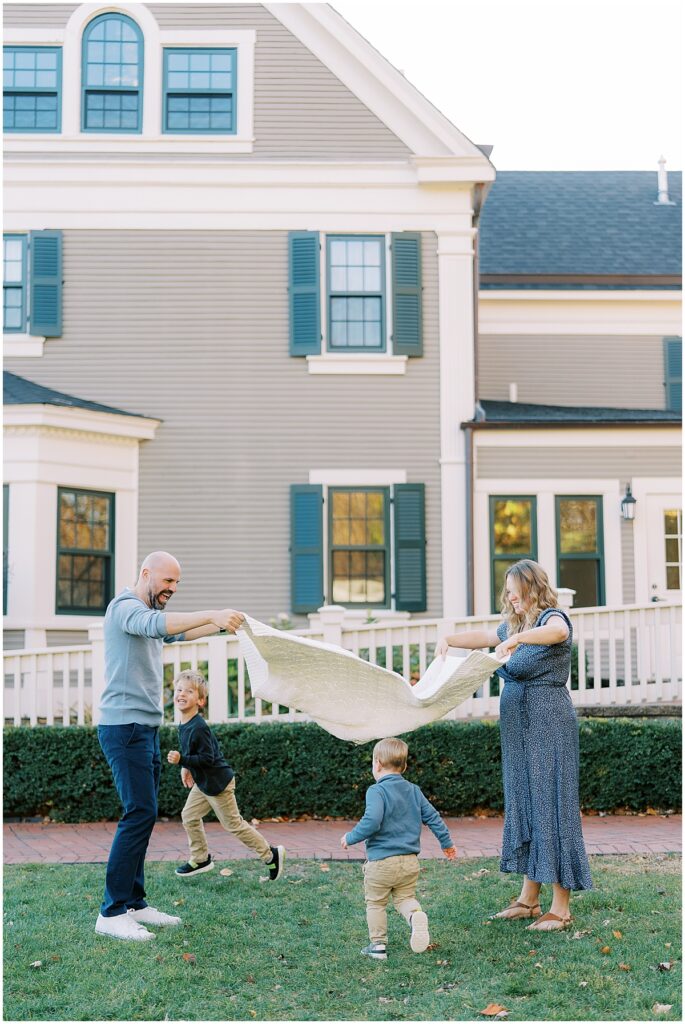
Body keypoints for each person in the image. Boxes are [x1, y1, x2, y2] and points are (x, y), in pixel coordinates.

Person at [95, 550, 245, 942]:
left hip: (143, 728)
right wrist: (212, 612)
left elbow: (177, 631)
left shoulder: (148, 617)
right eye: (167, 581)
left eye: (177, 583)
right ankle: (111, 912)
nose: (172, 589)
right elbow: (158, 623)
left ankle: (135, 903)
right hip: (123, 727)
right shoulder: (125, 608)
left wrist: (220, 625)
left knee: (144, 813)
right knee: (138, 813)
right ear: (146, 574)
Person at [437, 558, 592, 931]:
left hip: (548, 723)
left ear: (531, 588)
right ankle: (528, 899)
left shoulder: (552, 618)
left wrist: (519, 638)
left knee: (551, 805)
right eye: (507, 592)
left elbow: (557, 634)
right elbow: (486, 637)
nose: (509, 597)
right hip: (518, 730)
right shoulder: (514, 623)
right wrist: (450, 640)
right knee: (525, 803)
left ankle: (561, 907)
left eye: (514, 591)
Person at [340, 737, 457, 961]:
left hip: (381, 863)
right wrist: (446, 843)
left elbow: (372, 820)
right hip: (409, 861)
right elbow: (433, 817)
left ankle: (378, 945)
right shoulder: (413, 790)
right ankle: (415, 917)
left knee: (375, 903)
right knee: (405, 898)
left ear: (376, 764)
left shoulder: (376, 791)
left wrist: (350, 837)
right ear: (404, 767)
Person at [167, 669, 285, 880]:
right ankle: (201, 858)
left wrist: (182, 760)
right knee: (189, 816)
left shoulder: (199, 727)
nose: (182, 694)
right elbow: (192, 751)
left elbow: (208, 759)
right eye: (179, 690)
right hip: (204, 784)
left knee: (234, 825)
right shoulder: (184, 723)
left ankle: (270, 855)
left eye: (189, 691)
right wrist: (186, 767)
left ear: (200, 701)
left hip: (218, 784)